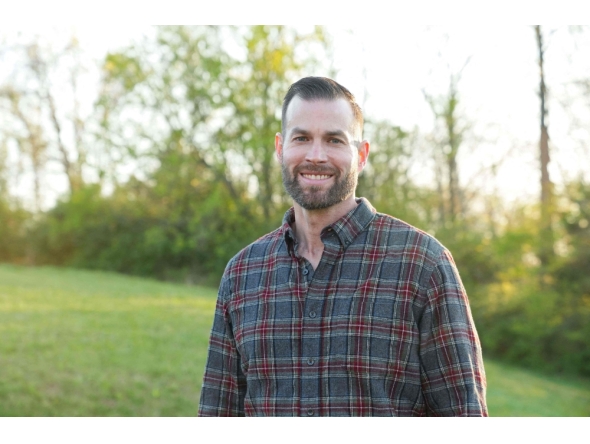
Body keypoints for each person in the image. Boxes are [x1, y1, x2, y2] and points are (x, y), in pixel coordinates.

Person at [198, 76, 487, 417]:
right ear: (280, 148)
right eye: (302, 138)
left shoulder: (422, 263)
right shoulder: (242, 273)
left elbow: (463, 415)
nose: (316, 156)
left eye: (334, 140)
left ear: (361, 154)